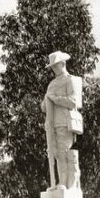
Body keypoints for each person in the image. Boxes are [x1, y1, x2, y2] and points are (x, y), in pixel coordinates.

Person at [41, 51, 83, 189]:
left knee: (64, 151)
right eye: (52, 67)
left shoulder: (70, 80)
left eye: (56, 66)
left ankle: (65, 183)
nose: (54, 69)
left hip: (65, 121)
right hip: (52, 123)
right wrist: (47, 99)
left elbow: (73, 101)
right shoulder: (52, 84)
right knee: (56, 153)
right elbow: (44, 106)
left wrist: (55, 99)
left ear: (63, 64)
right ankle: (60, 182)